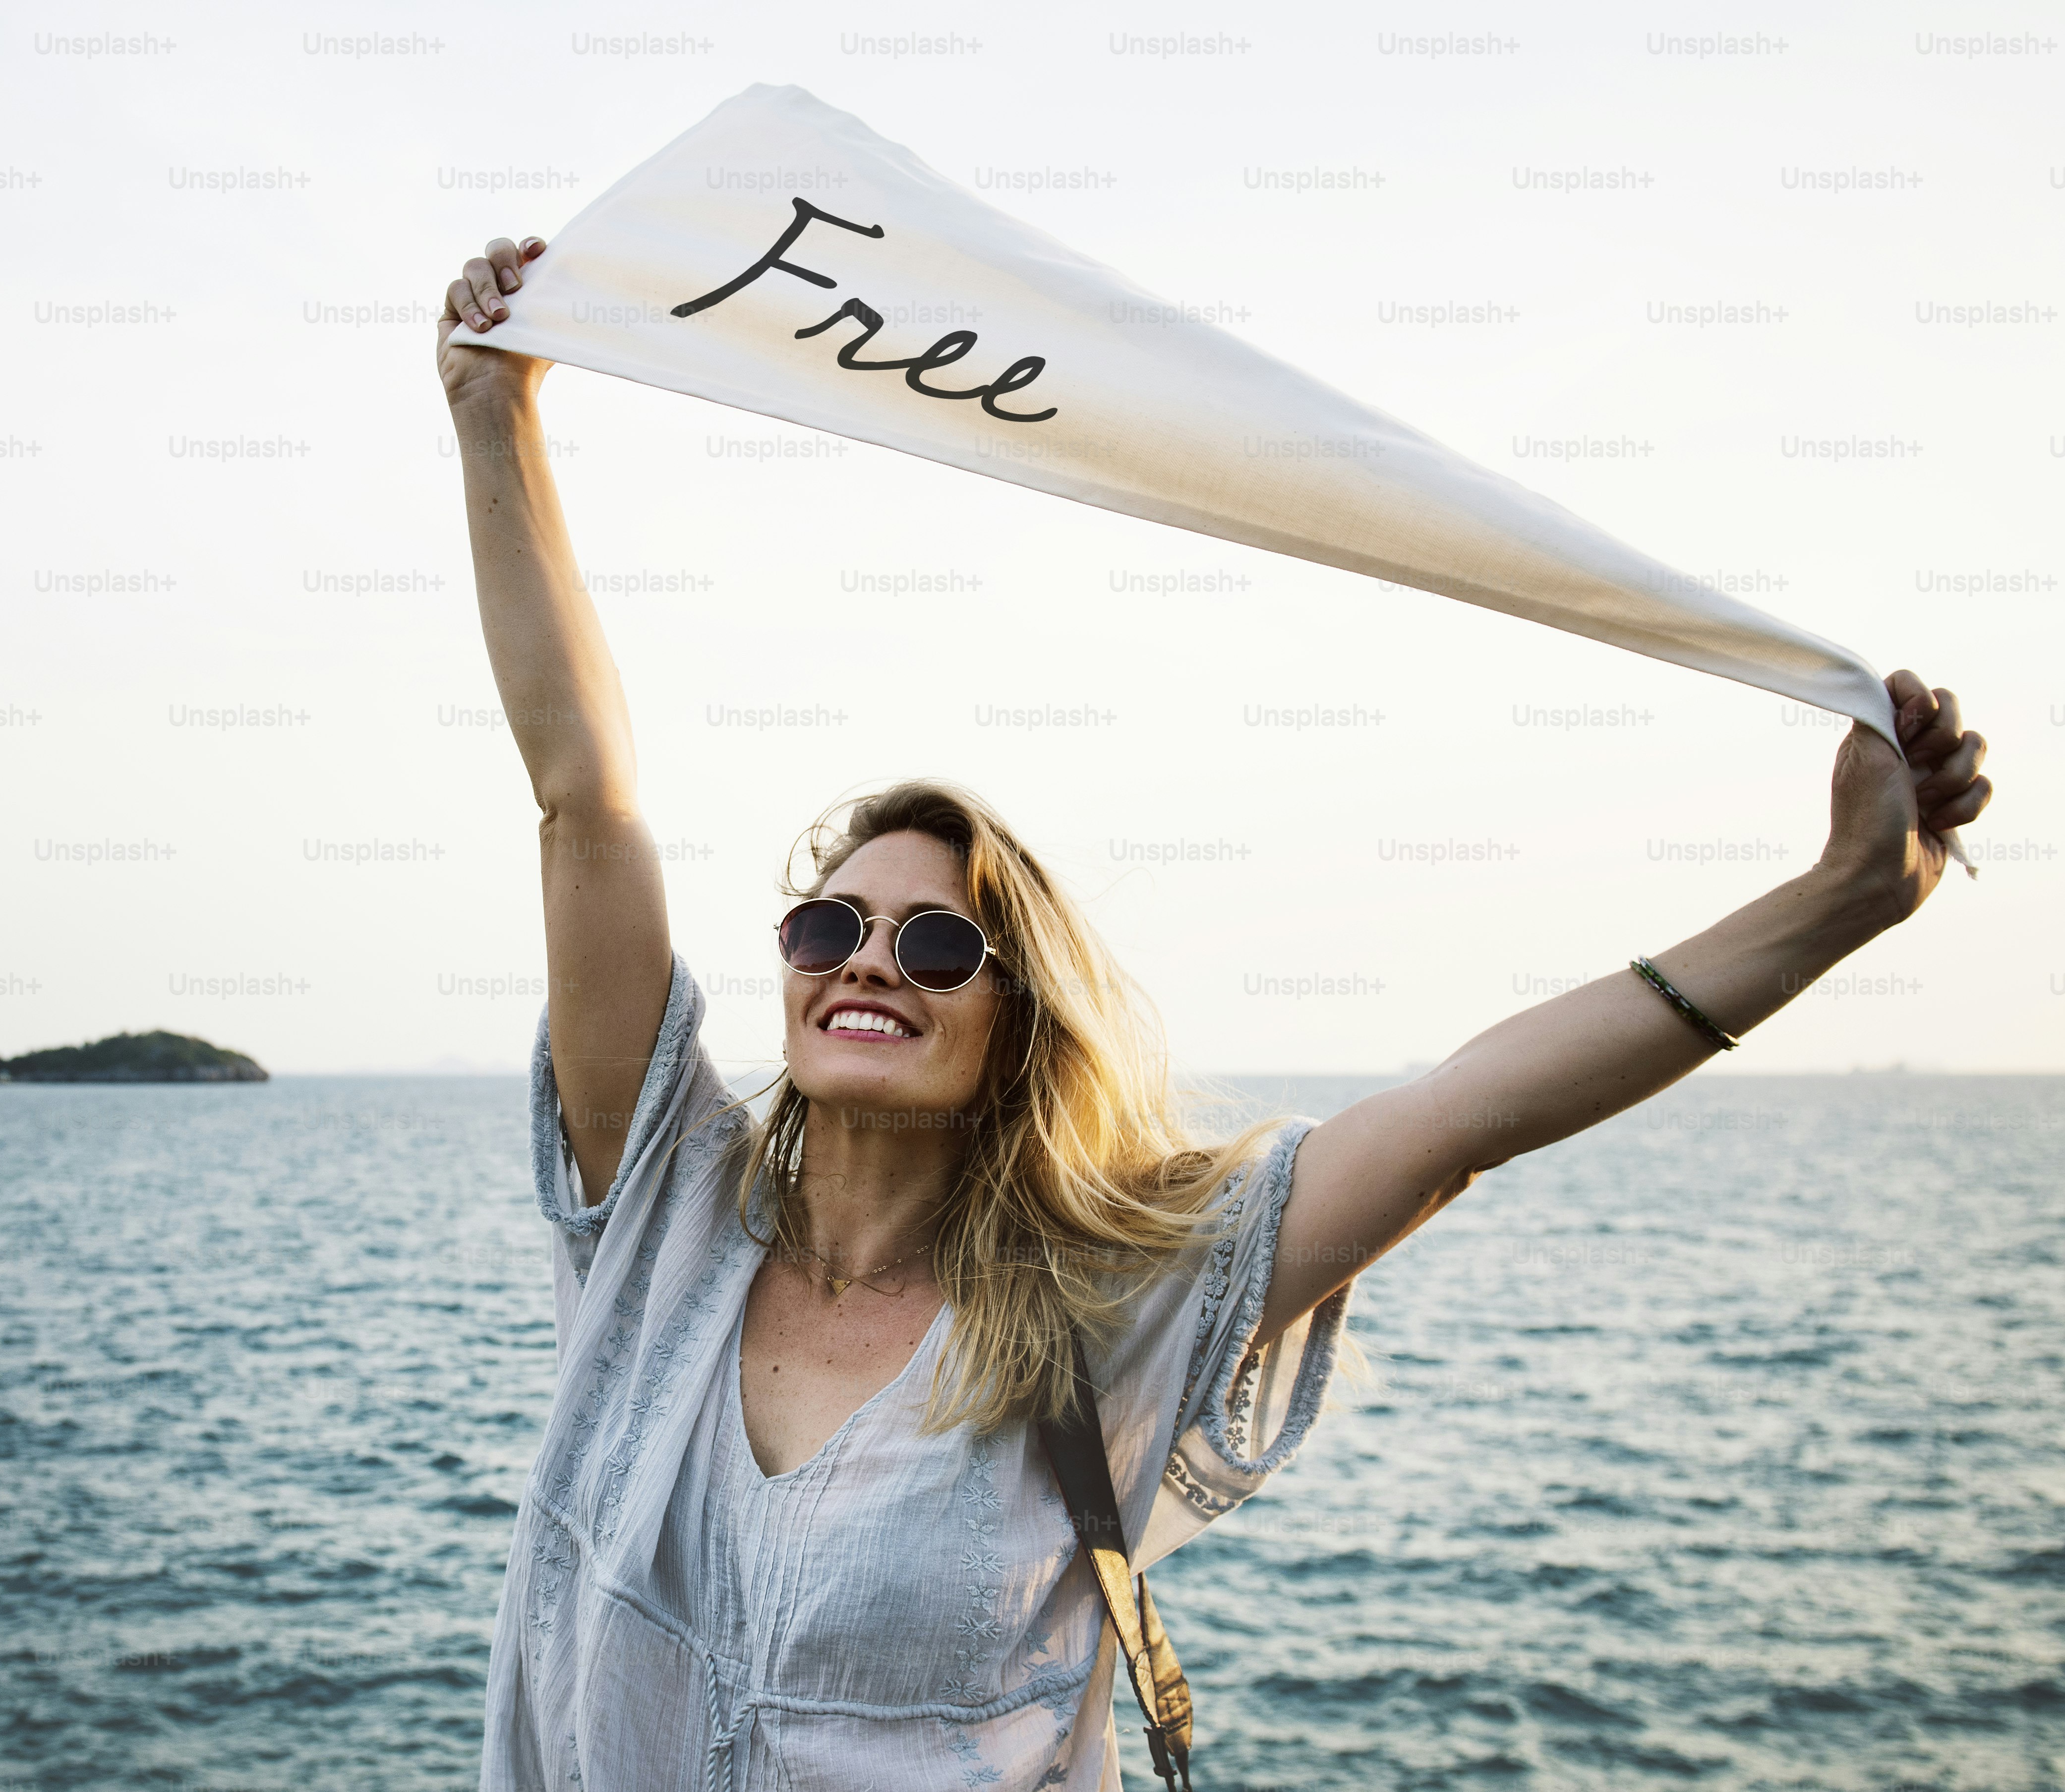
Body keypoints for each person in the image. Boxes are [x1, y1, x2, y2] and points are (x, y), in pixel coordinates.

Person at [437, 235, 1994, 1792]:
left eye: (936, 945)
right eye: (833, 924)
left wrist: (1843, 896)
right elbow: (588, 797)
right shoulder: (656, 1221)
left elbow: (1465, 1118)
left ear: (1013, 1027)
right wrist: (493, 414)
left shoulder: (1109, 1316)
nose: (868, 962)